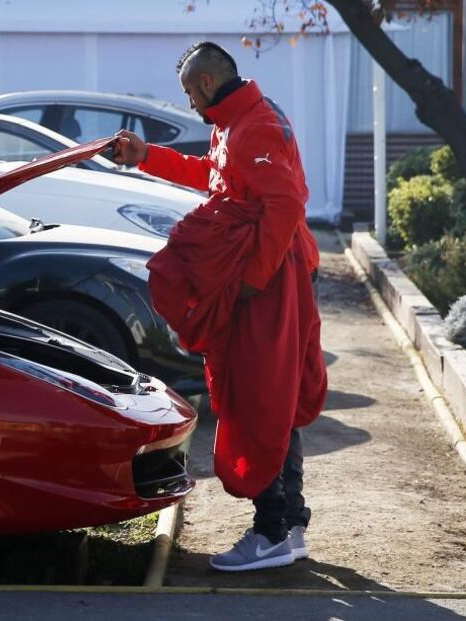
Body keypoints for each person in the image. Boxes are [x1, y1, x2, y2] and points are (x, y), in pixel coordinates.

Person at [113, 41, 327, 572]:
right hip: (274, 277)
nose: (188, 102)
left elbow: (285, 203)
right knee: (273, 398)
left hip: (270, 284)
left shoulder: (253, 124)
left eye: (188, 92)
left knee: (259, 398)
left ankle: (272, 530)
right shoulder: (238, 119)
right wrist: (147, 158)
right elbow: (213, 175)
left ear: (206, 83)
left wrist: (251, 281)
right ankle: (288, 524)